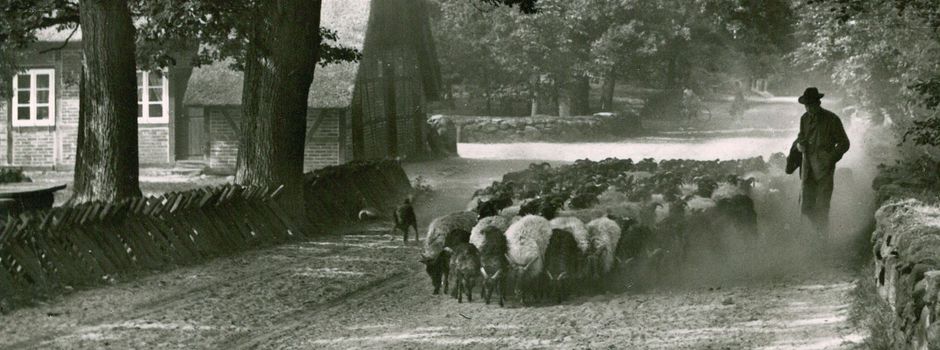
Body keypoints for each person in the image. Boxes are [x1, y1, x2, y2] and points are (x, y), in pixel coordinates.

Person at [791, 87, 850, 241]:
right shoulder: (804, 119)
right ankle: (818, 233)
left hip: (824, 170)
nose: (809, 108)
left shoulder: (832, 119)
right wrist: (800, 145)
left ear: (818, 103)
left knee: (822, 207)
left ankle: (822, 242)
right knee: (806, 207)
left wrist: (831, 158)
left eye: (811, 104)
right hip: (807, 168)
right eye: (806, 105)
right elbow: (801, 137)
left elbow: (844, 143)